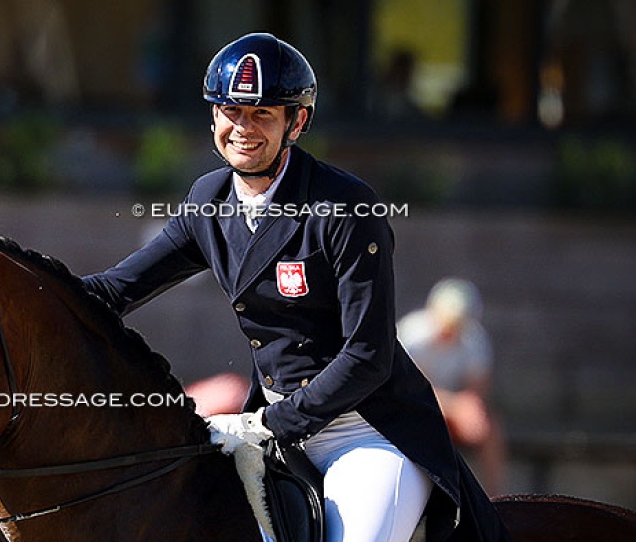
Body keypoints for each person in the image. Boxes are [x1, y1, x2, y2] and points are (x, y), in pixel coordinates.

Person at [83, 33, 511, 542]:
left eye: (263, 114)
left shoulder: (344, 207)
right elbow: (116, 288)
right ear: (214, 116)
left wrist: (274, 423)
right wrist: (15, 285)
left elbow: (369, 355)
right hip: (278, 432)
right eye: (231, 112)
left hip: (370, 433)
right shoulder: (209, 200)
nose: (243, 129)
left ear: (297, 122)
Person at [398, 278, 507, 495]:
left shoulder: (473, 339)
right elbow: (410, 393)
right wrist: (457, 406)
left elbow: (477, 391)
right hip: (414, 411)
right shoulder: (411, 336)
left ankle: (496, 499)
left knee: (490, 429)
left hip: (451, 413)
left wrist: (471, 410)